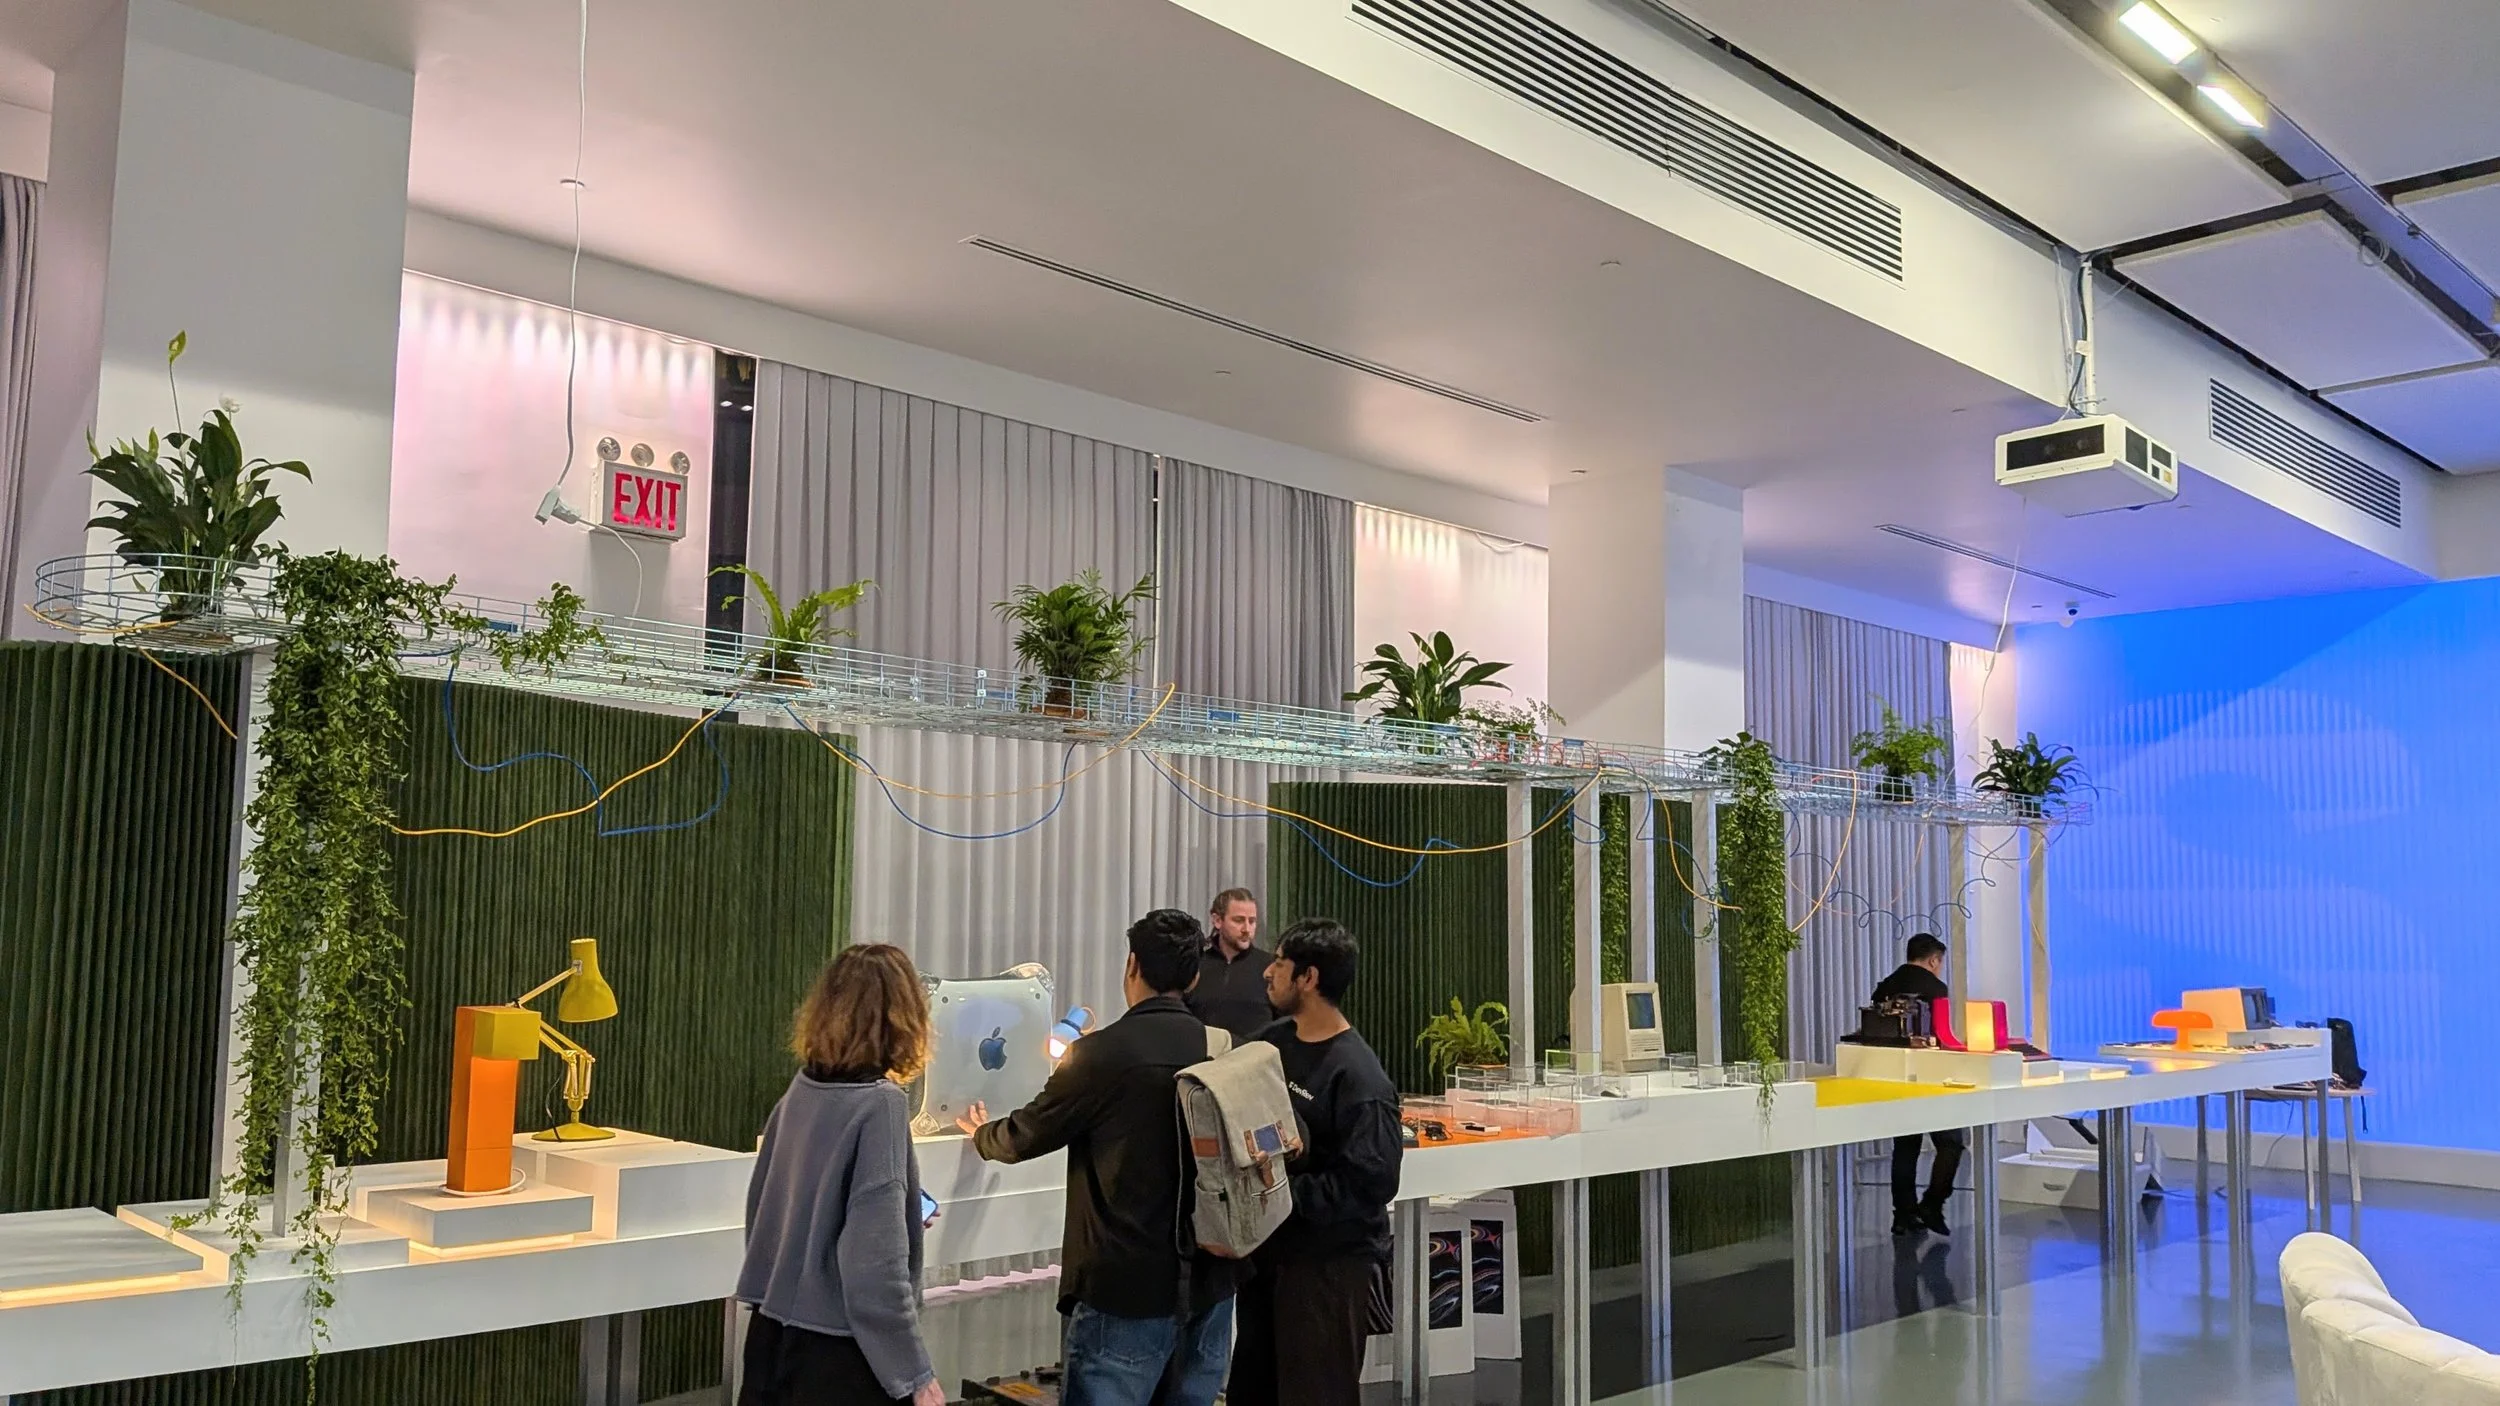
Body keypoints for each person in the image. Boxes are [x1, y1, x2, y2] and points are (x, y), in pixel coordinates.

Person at [957, 910, 1239, 1406]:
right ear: (1193, 975)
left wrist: (981, 1134)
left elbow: (1024, 1135)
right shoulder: (1220, 1048)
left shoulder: (1101, 1055)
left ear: (1132, 967)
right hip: (1210, 1286)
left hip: (1123, 1290)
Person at [737, 944, 946, 1406]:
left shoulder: (802, 1091)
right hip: (838, 1355)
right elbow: (875, 1266)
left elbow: (768, 1208)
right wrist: (915, 1373)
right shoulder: (881, 1105)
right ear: (906, 1016)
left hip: (771, 1337)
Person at [1230, 919, 1404, 1406]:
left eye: (1280, 963)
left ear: (1308, 978)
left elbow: (1372, 1182)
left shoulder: (1360, 1078)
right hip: (1269, 1262)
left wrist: (1281, 1196)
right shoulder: (1270, 1044)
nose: (1268, 972)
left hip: (1328, 1269)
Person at [1874, 932, 1962, 1237]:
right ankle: (1933, 1203)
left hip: (1893, 1076)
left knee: (1905, 1147)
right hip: (1929, 1076)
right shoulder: (1936, 988)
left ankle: (1903, 1216)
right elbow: (1941, 1035)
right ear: (1934, 960)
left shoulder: (1886, 985)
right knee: (1951, 1143)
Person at [1185, 887, 1274, 1045]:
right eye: (1239, 920)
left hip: (1254, 1063)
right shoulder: (1194, 964)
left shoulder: (1270, 967)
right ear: (1217, 920)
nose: (1247, 929)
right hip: (1203, 1063)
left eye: (1252, 921)